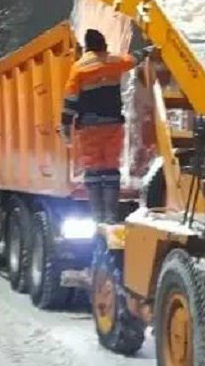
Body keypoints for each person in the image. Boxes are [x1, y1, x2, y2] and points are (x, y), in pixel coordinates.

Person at [61, 29, 152, 224]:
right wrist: (148, 51)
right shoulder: (113, 61)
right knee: (111, 168)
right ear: (103, 43)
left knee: (93, 169)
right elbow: (133, 59)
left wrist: (66, 124)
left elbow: (70, 99)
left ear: (87, 46)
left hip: (89, 126)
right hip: (112, 123)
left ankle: (97, 216)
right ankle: (110, 216)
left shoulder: (79, 68)